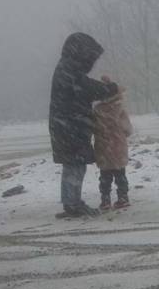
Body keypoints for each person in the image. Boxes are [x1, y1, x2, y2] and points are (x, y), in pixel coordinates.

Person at [49, 32, 118, 218]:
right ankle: (73, 204)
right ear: (81, 54)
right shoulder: (68, 70)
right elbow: (86, 87)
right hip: (70, 128)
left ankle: (71, 202)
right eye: (90, 57)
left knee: (73, 165)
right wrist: (109, 89)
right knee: (75, 166)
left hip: (69, 127)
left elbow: (83, 86)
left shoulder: (67, 68)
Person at [93, 76, 134, 210]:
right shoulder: (119, 109)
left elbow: (93, 127)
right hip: (118, 147)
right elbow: (127, 129)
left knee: (105, 175)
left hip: (103, 146)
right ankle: (123, 197)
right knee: (120, 174)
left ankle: (105, 200)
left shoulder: (97, 110)